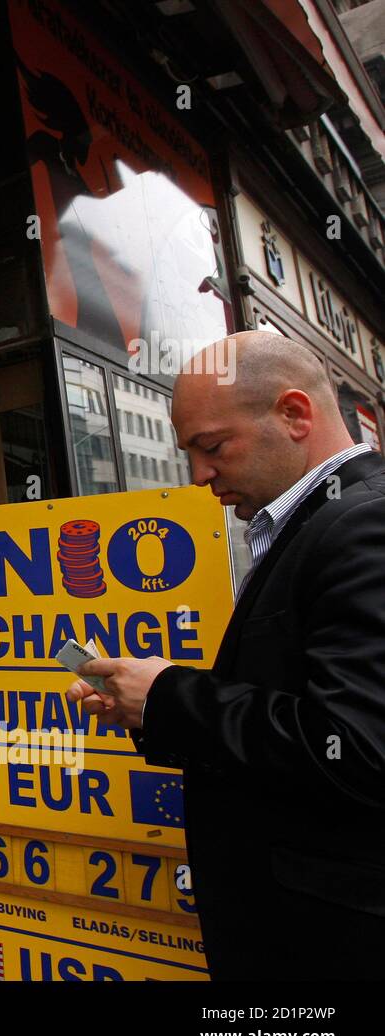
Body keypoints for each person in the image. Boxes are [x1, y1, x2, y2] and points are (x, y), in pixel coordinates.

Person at [66, 331, 385, 980]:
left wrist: (170, 696)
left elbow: (358, 746)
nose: (200, 476)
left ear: (295, 414)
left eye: (213, 448)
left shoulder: (361, 525)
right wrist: (147, 704)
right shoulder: (313, 521)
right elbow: (299, 703)